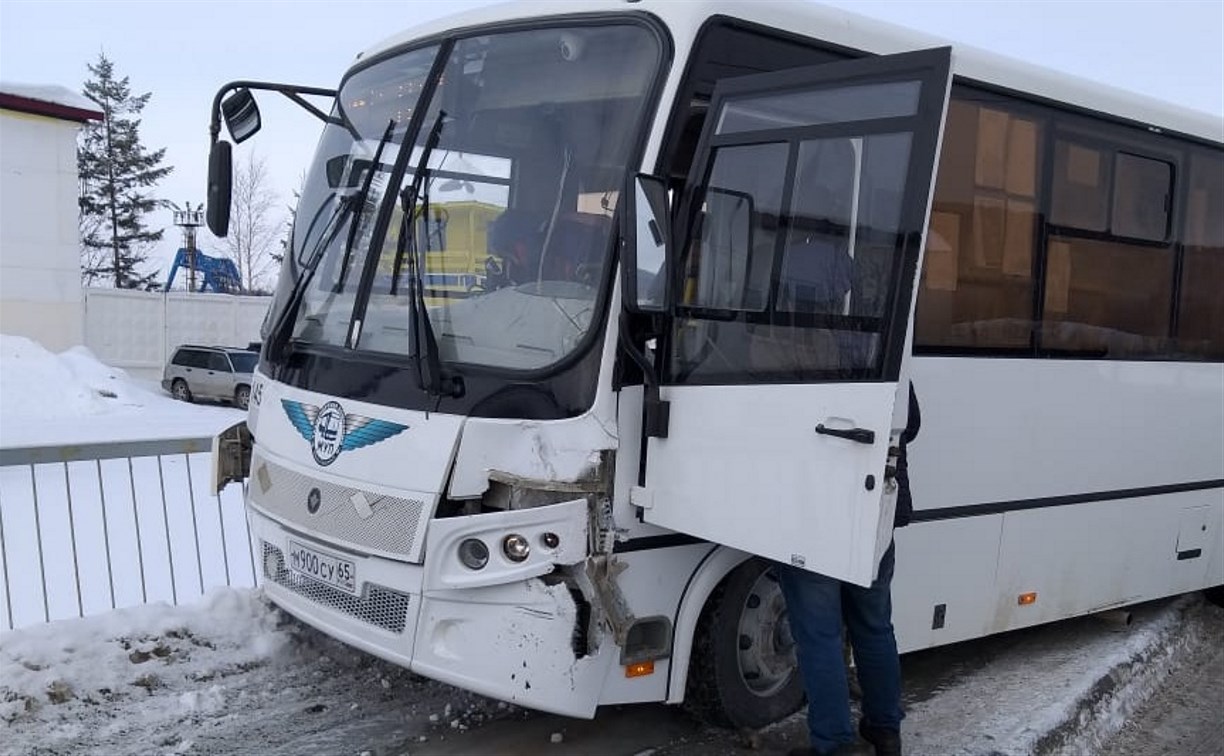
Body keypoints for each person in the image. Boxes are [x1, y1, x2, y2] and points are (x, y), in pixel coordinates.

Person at [778, 383, 920, 756]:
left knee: (819, 636)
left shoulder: (799, 359)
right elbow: (912, 422)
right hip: (875, 513)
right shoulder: (883, 347)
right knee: (874, 628)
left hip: (813, 517)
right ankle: (885, 732)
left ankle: (834, 743)